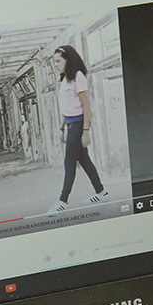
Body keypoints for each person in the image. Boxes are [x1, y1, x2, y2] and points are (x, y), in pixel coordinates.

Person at [48, 45, 108, 212]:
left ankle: (63, 201)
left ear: (68, 60)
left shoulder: (78, 76)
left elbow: (86, 105)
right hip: (70, 124)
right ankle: (101, 192)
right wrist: (61, 127)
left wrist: (86, 131)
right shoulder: (65, 79)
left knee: (69, 162)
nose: (56, 65)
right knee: (84, 160)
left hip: (78, 124)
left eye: (58, 61)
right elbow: (66, 106)